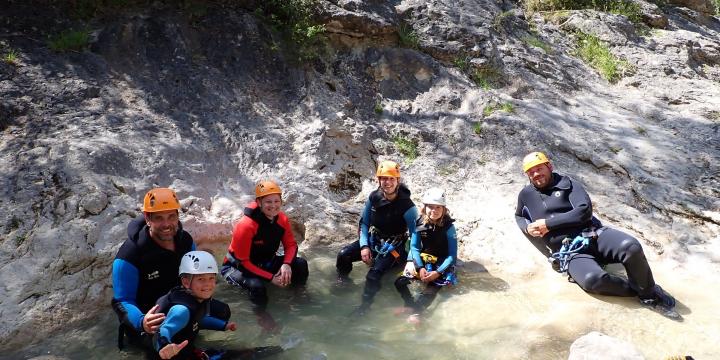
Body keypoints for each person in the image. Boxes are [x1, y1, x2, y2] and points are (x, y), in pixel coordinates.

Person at [514, 152, 679, 319]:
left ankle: (649, 294)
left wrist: (548, 224)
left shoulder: (568, 184)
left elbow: (584, 211)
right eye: (531, 172)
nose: (536, 174)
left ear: (549, 166)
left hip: (594, 236)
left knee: (631, 247)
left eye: (539, 169)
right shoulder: (526, 195)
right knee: (592, 280)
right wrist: (527, 228)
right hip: (571, 252)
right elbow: (519, 216)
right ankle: (637, 289)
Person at [111, 188, 231, 349]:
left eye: (171, 217)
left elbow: (194, 277)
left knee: (221, 312)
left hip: (176, 302)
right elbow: (122, 301)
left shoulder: (185, 241)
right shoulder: (130, 255)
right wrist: (141, 321)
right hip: (148, 316)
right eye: (159, 218)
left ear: (177, 216)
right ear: (147, 219)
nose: (166, 224)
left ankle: (189, 334)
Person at [221, 180, 309, 332]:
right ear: (259, 202)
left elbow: (291, 245)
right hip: (237, 267)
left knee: (300, 264)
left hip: (266, 261)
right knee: (257, 286)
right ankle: (261, 315)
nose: (273, 205)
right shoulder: (246, 225)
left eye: (277, 201)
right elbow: (244, 263)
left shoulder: (282, 219)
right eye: (268, 201)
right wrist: (271, 278)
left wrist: (286, 264)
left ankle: (298, 294)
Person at [336, 160, 418, 315]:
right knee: (343, 255)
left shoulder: (407, 206)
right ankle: (343, 282)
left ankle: (365, 307)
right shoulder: (374, 198)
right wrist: (364, 246)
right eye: (383, 178)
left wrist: (410, 261)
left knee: (373, 276)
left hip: (394, 246)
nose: (387, 182)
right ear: (378, 180)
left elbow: (416, 235)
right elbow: (364, 223)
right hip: (375, 240)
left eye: (391, 179)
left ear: (397, 181)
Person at [155, 251, 236, 360]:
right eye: (201, 279)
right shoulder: (182, 310)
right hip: (170, 354)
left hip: (183, 350)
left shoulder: (197, 299)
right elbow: (164, 329)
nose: (207, 284)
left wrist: (223, 325)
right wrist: (164, 346)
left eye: (211, 278)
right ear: (186, 282)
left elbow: (197, 319)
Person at [395, 187, 458, 324]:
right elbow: (415, 247)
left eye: (438, 207)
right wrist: (419, 267)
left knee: (431, 288)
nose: (434, 211)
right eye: (430, 207)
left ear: (443, 209)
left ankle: (417, 313)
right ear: (424, 207)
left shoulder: (448, 227)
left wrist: (438, 272)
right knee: (400, 282)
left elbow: (452, 256)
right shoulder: (421, 223)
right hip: (425, 259)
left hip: (442, 262)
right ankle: (410, 305)